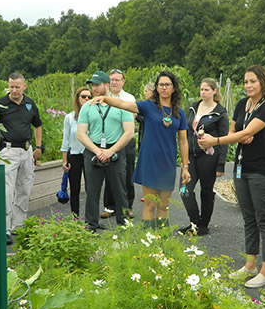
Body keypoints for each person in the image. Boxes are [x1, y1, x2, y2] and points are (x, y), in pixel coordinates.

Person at [200, 65, 265, 288]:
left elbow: (245, 132)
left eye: (252, 81)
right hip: (241, 168)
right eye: (245, 82)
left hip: (261, 170)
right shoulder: (242, 104)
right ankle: (250, 263)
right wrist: (237, 137)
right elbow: (234, 131)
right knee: (249, 218)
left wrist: (216, 141)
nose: (248, 86)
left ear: (263, 82)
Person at [89, 71, 190, 229]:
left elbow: (183, 141)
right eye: (161, 84)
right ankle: (148, 244)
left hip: (168, 163)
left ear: (173, 88)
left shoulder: (179, 113)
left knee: (164, 206)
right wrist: (105, 99)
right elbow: (123, 105)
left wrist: (185, 167)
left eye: (167, 85)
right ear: (156, 88)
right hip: (149, 162)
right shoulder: (148, 106)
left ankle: (162, 243)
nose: (164, 88)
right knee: (150, 205)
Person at [0, 72, 43, 246]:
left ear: (24, 87)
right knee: (6, 191)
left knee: (24, 188)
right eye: (11, 86)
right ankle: (5, 229)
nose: (14, 90)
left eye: (17, 87)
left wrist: (39, 147)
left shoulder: (29, 104)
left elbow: (38, 125)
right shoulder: (0, 104)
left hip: (26, 150)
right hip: (8, 151)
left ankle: (20, 225)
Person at [76, 71, 135, 231]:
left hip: (115, 149)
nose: (94, 88)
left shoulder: (121, 105)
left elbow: (129, 132)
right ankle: (91, 226)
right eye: (92, 85)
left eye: (97, 85)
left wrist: (111, 151)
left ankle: (124, 225)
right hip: (93, 150)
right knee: (92, 192)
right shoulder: (87, 107)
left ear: (107, 85)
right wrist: (97, 151)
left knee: (119, 190)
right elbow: (81, 134)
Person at [178, 78, 229, 236]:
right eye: (201, 89)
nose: (203, 92)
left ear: (214, 91)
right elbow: (185, 132)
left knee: (206, 191)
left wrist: (221, 164)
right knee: (184, 189)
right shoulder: (193, 107)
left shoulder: (220, 112)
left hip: (209, 156)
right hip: (191, 155)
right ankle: (194, 222)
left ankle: (204, 225)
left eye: (206, 89)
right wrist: (183, 157)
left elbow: (224, 139)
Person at [101, 69, 137, 219]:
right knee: (109, 174)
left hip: (125, 140)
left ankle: (127, 206)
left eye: (117, 80)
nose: (114, 82)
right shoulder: (102, 97)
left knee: (127, 173)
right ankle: (110, 206)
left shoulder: (129, 98)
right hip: (108, 140)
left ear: (123, 82)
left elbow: (132, 118)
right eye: (112, 80)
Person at [60, 87, 91, 217]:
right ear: (78, 98)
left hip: (89, 155)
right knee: (75, 188)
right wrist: (64, 160)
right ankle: (75, 218)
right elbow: (65, 139)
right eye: (83, 96)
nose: (86, 99)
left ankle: (91, 219)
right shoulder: (70, 118)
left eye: (89, 97)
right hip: (75, 156)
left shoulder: (93, 116)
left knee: (91, 189)